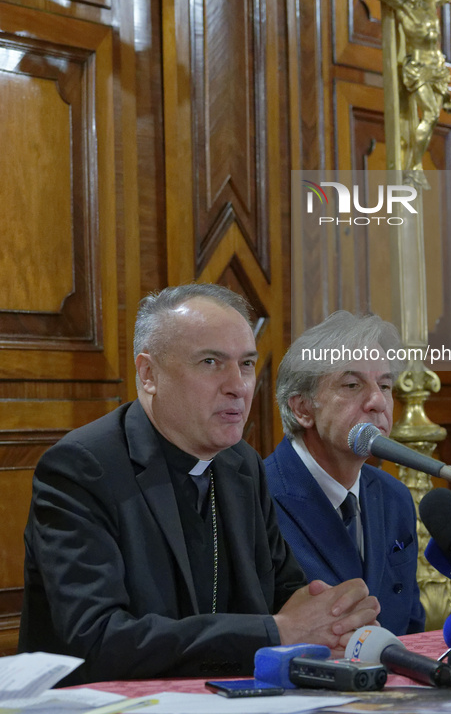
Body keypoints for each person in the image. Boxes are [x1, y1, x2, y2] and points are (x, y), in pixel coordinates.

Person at [19, 285, 380, 684]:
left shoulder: (240, 463)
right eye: (211, 362)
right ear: (149, 373)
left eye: (246, 364)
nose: (238, 385)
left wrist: (331, 614)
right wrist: (275, 632)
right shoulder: (83, 468)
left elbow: (285, 591)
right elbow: (96, 640)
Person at [265, 311, 425, 636]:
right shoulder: (257, 496)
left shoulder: (394, 497)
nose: (378, 401)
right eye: (352, 385)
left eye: (384, 385)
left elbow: (411, 628)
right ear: (303, 409)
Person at [335, 0, 451, 175]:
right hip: (418, 67)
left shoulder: (430, 2)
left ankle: (414, 165)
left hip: (438, 67)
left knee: (434, 115)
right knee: (432, 114)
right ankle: (414, 166)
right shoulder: (401, 7)